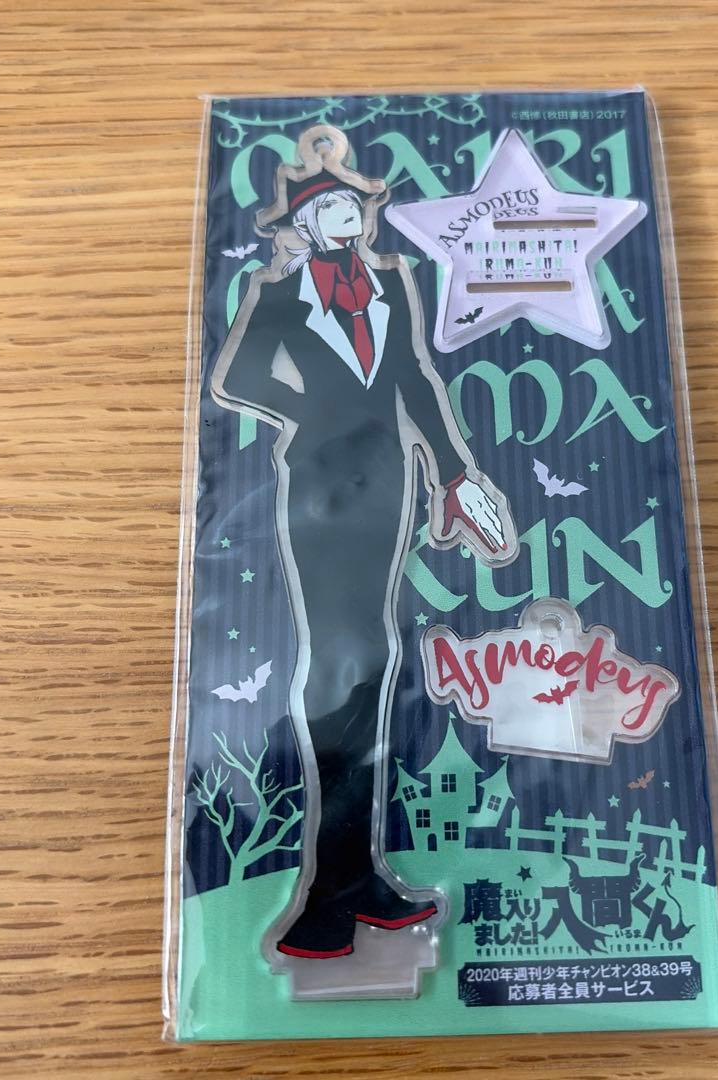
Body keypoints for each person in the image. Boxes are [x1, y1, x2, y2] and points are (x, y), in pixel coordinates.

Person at [211, 139, 514, 961]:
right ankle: (326, 897)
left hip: (388, 485)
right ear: (306, 224)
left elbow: (414, 379)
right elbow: (237, 377)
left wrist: (454, 474)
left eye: (354, 203)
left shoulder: (389, 283)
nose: (349, 213)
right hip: (317, 486)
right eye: (332, 206)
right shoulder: (277, 291)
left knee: (373, 655)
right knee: (337, 660)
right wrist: (311, 408)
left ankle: (350, 883)